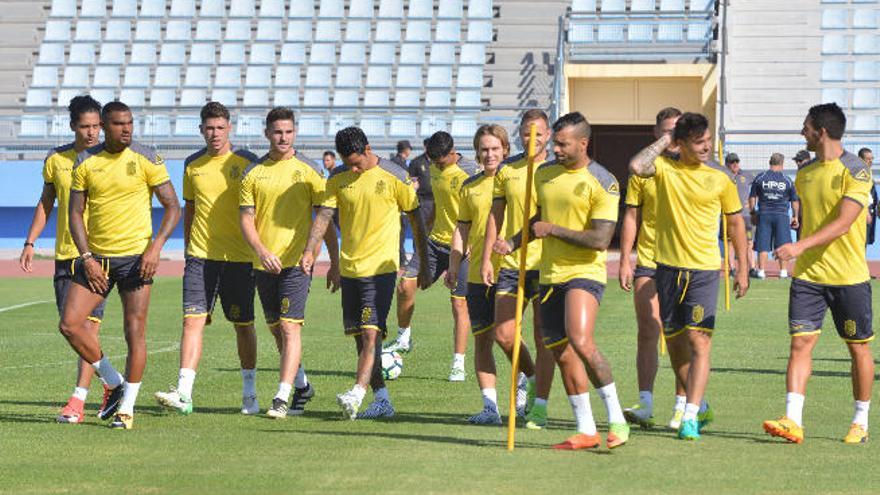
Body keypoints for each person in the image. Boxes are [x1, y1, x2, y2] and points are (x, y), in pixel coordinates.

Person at [497, 112, 629, 449]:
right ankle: (586, 430)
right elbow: (539, 217)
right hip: (549, 274)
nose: (554, 148)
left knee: (581, 340)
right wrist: (512, 242)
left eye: (562, 143)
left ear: (583, 144)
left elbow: (600, 239)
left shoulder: (603, 181)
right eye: (554, 142)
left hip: (584, 273)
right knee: (560, 350)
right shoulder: (544, 174)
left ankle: (617, 420)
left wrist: (552, 230)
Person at [58, 101, 181, 429]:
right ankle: (113, 381)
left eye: (129, 123)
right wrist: (86, 258)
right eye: (118, 124)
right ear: (104, 125)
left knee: (134, 332)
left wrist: (155, 249)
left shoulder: (146, 157)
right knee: (70, 323)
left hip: (136, 262)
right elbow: (74, 214)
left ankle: (126, 409)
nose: (126, 129)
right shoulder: (86, 160)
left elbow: (172, 207)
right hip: (97, 260)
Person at [629, 112, 749, 441]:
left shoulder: (721, 178)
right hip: (666, 269)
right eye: (698, 142)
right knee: (678, 347)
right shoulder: (664, 169)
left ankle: (691, 416)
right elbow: (637, 166)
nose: (706, 147)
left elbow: (736, 223)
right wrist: (667, 139)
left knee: (699, 342)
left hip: (704, 271)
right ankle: (700, 403)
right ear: (680, 144)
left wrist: (742, 266)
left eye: (708, 140)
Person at [763, 103, 875, 444]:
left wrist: (797, 247)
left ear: (821, 131)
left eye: (806, 127)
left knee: (858, 349)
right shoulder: (805, 173)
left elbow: (843, 223)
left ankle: (860, 420)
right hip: (809, 277)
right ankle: (792, 420)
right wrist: (800, 248)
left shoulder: (855, 170)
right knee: (800, 344)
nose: (802, 133)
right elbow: (812, 220)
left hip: (849, 278)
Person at [300, 126, 429, 420]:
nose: (353, 169)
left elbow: (416, 217)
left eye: (356, 163)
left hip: (381, 269)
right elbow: (324, 215)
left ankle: (356, 393)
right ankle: (381, 399)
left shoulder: (395, 175)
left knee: (372, 333)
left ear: (368, 149)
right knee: (361, 338)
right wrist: (311, 251)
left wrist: (423, 264)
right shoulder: (338, 178)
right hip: (350, 269)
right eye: (348, 164)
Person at [236, 107, 338, 418]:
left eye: (289, 132)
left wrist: (331, 259)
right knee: (276, 330)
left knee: (289, 326)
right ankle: (303, 385)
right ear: (267, 134)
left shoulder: (309, 170)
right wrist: (262, 251)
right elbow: (246, 219)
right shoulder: (253, 173)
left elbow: (325, 216)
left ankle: (282, 396)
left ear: (295, 133)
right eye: (278, 132)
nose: (283, 137)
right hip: (263, 264)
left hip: (298, 263)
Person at [20, 95, 108, 424]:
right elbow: (46, 202)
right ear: (73, 127)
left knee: (87, 327)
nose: (92, 133)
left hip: (99, 256)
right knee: (71, 329)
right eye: (85, 127)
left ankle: (78, 401)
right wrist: (30, 241)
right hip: (65, 256)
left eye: (97, 126)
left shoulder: (109, 158)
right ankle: (112, 381)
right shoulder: (56, 159)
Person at [481, 109, 557, 429]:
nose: (532, 139)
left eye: (539, 133)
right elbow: (494, 216)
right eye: (527, 133)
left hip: (546, 263)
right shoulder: (507, 171)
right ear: (519, 134)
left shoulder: (556, 171)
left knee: (543, 338)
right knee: (503, 334)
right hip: (511, 263)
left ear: (549, 136)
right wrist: (486, 257)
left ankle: (539, 406)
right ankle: (530, 374)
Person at [619, 107, 688, 430]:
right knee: (649, 329)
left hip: (685, 261)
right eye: (665, 131)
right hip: (648, 260)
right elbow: (632, 215)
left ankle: (682, 404)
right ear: (655, 132)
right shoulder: (644, 170)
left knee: (680, 335)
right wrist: (624, 259)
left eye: (676, 130)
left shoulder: (694, 167)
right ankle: (645, 402)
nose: (671, 136)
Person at [390, 131, 476, 380]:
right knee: (405, 286)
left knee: (458, 304)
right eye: (433, 160)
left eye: (440, 161)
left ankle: (458, 364)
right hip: (433, 242)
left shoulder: (471, 172)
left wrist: (471, 244)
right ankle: (403, 338)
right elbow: (440, 204)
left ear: (452, 153)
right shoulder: (434, 168)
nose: (435, 165)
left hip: (463, 247)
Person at [447, 124, 513, 423]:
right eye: (484, 149)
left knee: (508, 337)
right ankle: (490, 407)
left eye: (495, 149)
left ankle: (527, 381)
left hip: (509, 271)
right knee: (483, 339)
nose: (489, 154)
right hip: (475, 274)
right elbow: (462, 228)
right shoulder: (469, 186)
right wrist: (453, 265)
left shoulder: (516, 182)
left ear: (505, 150)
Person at [749, 153, 800, 279]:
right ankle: (783, 272)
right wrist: (795, 216)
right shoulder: (787, 179)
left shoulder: (761, 177)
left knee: (763, 244)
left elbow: (752, 197)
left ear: (769, 162)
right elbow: (794, 200)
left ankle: (761, 271)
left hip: (764, 213)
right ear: (782, 164)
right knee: (783, 244)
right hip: (781, 215)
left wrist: (753, 212)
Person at [724, 153, 757, 277]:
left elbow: (757, 186)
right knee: (730, 242)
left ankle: (752, 268)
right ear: (727, 164)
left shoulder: (746, 175)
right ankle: (731, 268)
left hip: (745, 215)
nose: (735, 165)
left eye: (737, 162)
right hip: (729, 214)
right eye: (732, 162)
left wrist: (752, 203)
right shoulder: (723, 176)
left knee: (748, 242)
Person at [858, 148, 878, 246]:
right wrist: (865, 210)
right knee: (861, 242)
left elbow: (872, 193)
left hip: (870, 211)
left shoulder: (868, 172)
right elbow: (859, 194)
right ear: (860, 159)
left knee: (865, 241)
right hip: (862, 212)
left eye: (872, 159)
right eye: (868, 159)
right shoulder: (859, 174)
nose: (871, 162)